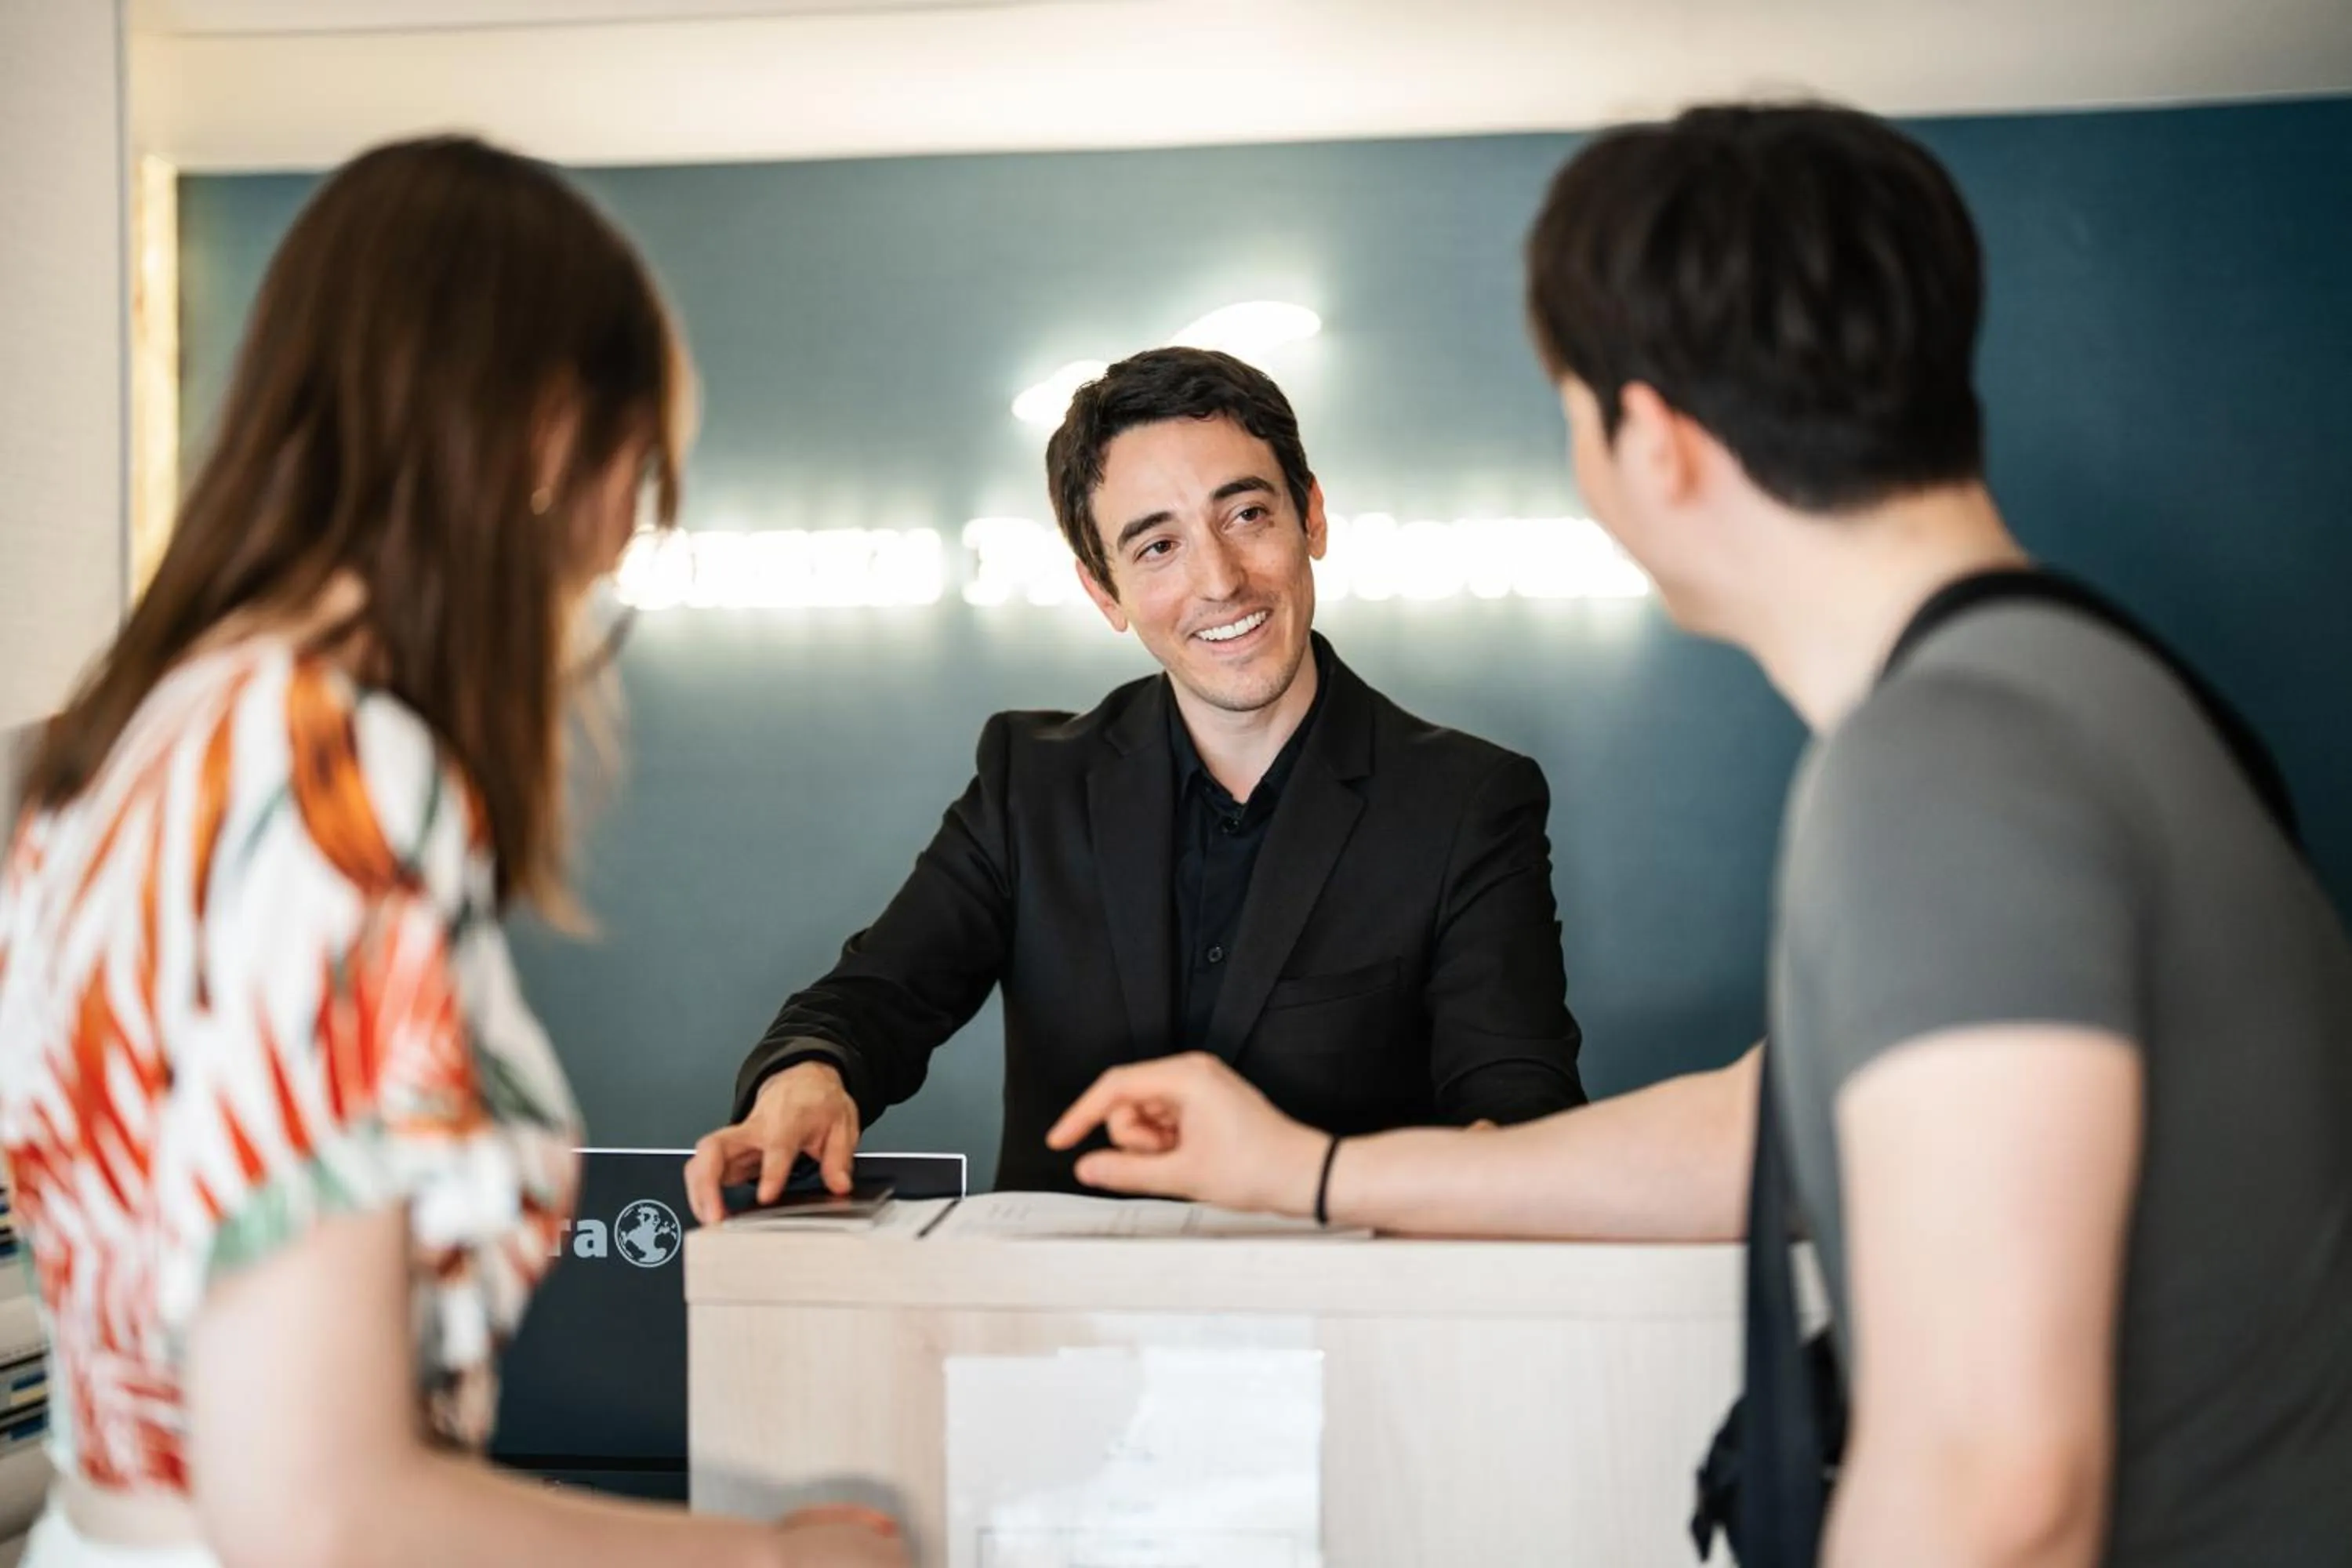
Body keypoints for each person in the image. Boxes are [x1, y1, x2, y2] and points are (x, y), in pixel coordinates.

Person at [1046, 103, 2352, 1566]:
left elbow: (1994, 1488)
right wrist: (1307, 1172)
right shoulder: (2070, 693)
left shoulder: (1951, 766)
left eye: (1573, 412)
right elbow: (1767, 1130)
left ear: (1652, 441)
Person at [0, 139, 902, 1568]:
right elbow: (321, 1509)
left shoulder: (119, 748)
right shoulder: (329, 775)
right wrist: (775, 1563)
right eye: (637, 468)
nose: (619, 541)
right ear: (548, 432)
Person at [684, 347, 1585, 1215]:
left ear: (1311, 516)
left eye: (1247, 514)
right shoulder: (1031, 783)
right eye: (1157, 546)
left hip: (1340, 1307)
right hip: (1068, 1313)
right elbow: (877, 996)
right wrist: (808, 1074)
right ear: (1103, 590)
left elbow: (1520, 1123)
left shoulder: (1468, 801)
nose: (1219, 580)